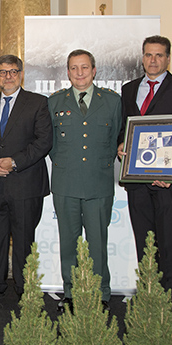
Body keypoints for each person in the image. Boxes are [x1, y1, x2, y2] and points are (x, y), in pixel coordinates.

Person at [117, 35, 172, 309]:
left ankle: (169, 305)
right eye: (149, 55)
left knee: (169, 243)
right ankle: (149, 296)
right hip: (137, 182)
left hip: (167, 184)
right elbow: (124, 128)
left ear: (168, 59)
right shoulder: (128, 90)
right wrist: (121, 146)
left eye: (159, 55)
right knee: (145, 242)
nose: (153, 60)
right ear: (142, 58)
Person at [49, 49, 121, 313]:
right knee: (68, 241)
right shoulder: (55, 102)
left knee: (97, 242)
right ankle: (70, 292)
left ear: (94, 70)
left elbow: (114, 141)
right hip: (65, 183)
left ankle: (101, 293)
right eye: (74, 68)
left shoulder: (112, 102)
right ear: (68, 72)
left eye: (84, 68)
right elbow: (52, 145)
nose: (79, 73)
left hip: (98, 183)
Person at [0, 54, 52, 303]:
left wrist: (14, 161)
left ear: (21, 74)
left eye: (12, 71)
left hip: (25, 183)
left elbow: (44, 141)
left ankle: (24, 287)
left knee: (23, 241)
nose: (7, 76)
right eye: (2, 72)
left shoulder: (38, 103)